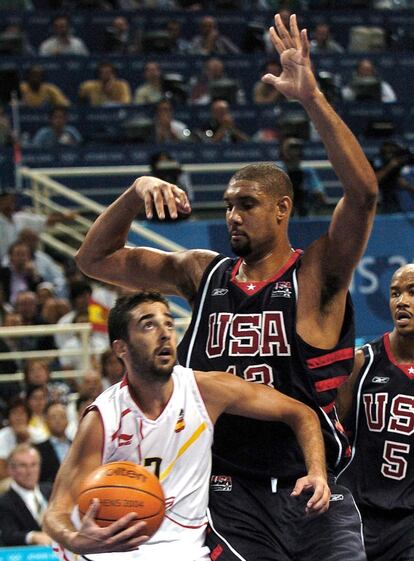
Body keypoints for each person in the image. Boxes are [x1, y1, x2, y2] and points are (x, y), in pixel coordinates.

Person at [75, 13, 378, 560]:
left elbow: (363, 196)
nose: (233, 215)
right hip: (227, 492)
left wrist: (311, 98)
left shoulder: (318, 274)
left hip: (315, 484)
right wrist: (133, 192)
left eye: (248, 204)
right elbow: (95, 258)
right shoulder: (203, 273)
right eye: (230, 204)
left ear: (283, 209)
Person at [43, 292, 330, 561]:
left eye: (168, 323)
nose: (165, 332)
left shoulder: (204, 391)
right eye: (148, 325)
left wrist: (317, 472)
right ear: (121, 348)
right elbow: (57, 509)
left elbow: (300, 413)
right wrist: (77, 540)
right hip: (113, 551)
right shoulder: (103, 418)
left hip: (185, 551)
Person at [336, 264, 414, 561]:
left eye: (412, 292)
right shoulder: (362, 363)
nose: (402, 301)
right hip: (358, 514)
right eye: (395, 293)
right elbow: (333, 435)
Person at [0, 444, 52, 546]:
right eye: (23, 466)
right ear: (11, 470)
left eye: (34, 464)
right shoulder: (4, 502)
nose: (30, 471)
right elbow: (8, 534)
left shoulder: (51, 491)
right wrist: (33, 537)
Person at [279, 136, 328, 216]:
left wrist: (318, 193)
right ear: (284, 152)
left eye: (297, 149)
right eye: (291, 148)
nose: (295, 152)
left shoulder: (307, 172)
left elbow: (320, 194)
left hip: (304, 211)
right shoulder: (278, 172)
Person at [372, 140, 414, 214]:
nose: (389, 155)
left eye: (392, 152)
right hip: (379, 200)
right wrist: (391, 166)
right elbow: (374, 181)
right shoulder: (377, 162)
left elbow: (401, 182)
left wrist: (407, 186)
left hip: (394, 202)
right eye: (388, 152)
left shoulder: (399, 169)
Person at [35, 402, 71, 484]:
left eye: (62, 416)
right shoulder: (38, 450)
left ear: (68, 421)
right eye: (53, 417)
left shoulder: (77, 446)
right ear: (46, 421)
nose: (58, 421)